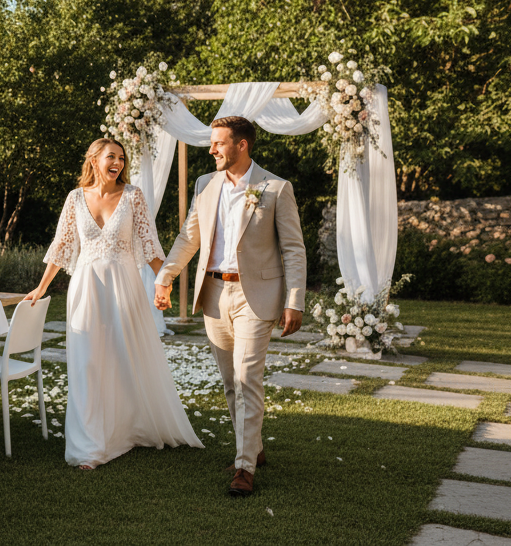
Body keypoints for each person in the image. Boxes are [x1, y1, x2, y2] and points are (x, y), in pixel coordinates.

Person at [24, 137, 202, 470]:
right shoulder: (75, 198)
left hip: (125, 287)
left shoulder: (133, 197)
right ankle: (90, 445)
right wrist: (40, 287)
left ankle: (126, 430)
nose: (117, 162)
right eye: (111, 156)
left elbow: (150, 244)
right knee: (88, 363)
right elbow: (61, 247)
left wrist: (164, 283)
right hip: (87, 289)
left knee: (123, 358)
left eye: (121, 157)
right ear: (93, 160)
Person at [154, 115, 306, 498]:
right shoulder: (206, 185)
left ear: (242, 145)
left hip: (257, 298)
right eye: (212, 143)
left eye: (219, 143)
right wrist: (166, 276)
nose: (212, 149)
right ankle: (252, 447)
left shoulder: (275, 187)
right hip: (214, 296)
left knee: (247, 379)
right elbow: (189, 236)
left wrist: (294, 301)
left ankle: (244, 468)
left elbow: (293, 248)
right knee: (229, 383)